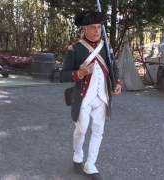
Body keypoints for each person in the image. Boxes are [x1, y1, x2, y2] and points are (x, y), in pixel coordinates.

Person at [60, 10, 123, 180]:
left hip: (102, 97)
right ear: (85, 29)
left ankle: (90, 165)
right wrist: (79, 74)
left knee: (98, 131)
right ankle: (77, 157)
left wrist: (117, 82)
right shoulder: (75, 49)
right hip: (83, 98)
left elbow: (114, 68)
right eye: (93, 28)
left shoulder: (107, 47)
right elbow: (62, 75)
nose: (97, 31)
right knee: (81, 130)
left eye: (99, 28)